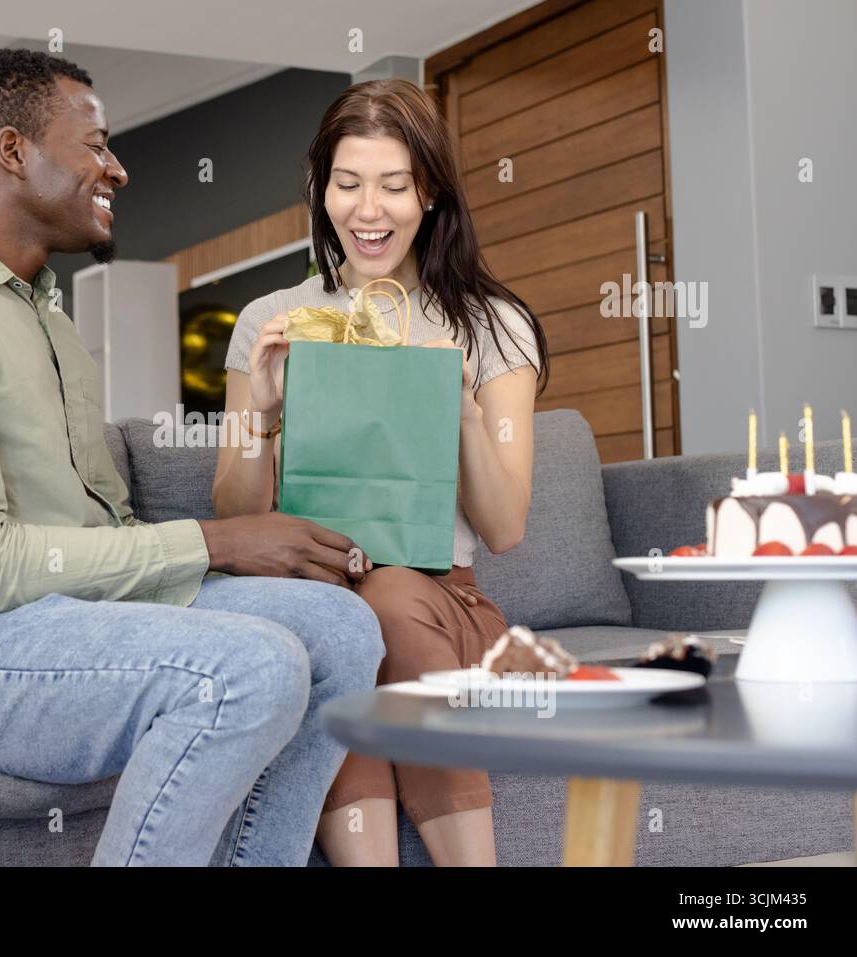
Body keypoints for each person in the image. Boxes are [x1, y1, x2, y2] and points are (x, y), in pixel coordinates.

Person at [0, 49, 384, 867]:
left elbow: (97, 529)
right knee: (250, 666)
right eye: (97, 145)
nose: (116, 170)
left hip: (65, 619)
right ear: (13, 152)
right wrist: (216, 542)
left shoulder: (44, 313)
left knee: (343, 629)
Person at [213, 78, 550, 866]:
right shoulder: (272, 321)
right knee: (336, 623)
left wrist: (461, 407)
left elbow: (505, 527)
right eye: (348, 183)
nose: (370, 211)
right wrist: (260, 410)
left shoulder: (490, 325)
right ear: (321, 190)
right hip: (321, 591)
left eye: (394, 185)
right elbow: (233, 518)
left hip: (443, 608)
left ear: (428, 192)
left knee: (386, 600)